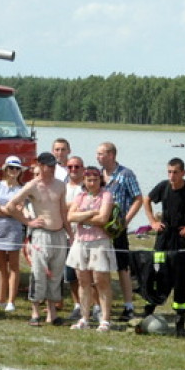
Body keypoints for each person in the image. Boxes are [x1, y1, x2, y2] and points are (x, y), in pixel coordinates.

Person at [4, 152, 71, 327]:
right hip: (41, 234)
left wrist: (70, 234)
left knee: (56, 274)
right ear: (40, 166)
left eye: (53, 165)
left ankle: (52, 312)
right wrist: (28, 221)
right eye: (48, 165)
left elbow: (63, 211)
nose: (51, 168)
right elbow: (11, 206)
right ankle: (35, 312)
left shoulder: (60, 185)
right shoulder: (32, 185)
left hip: (59, 233)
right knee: (39, 273)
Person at [142, 157, 185, 337]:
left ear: (183, 173)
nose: (172, 176)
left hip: (182, 238)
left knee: (180, 280)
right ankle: (147, 314)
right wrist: (153, 222)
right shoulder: (163, 186)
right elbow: (146, 200)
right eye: (169, 172)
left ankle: (180, 323)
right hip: (163, 237)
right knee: (157, 274)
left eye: (175, 172)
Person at [95, 142, 142, 321]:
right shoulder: (97, 175)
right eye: (97, 154)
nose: (98, 157)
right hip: (99, 228)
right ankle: (100, 305)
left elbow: (138, 198)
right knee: (99, 266)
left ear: (111, 155)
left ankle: (128, 305)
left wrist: (126, 220)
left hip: (117, 229)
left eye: (101, 154)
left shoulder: (125, 174)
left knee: (122, 266)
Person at [66, 165, 116, 331]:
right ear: (84, 181)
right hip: (81, 241)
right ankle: (84, 317)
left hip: (99, 241)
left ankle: (105, 319)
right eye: (89, 180)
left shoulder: (106, 195)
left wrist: (82, 217)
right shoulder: (80, 196)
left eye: (95, 179)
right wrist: (89, 214)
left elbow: (103, 218)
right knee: (82, 280)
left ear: (100, 180)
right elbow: (70, 216)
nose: (92, 183)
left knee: (101, 280)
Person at [0, 156, 25, 313]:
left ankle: (11, 300)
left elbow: (18, 211)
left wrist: (1, 209)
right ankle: (1, 298)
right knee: (1, 266)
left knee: (14, 265)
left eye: (16, 168)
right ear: (5, 169)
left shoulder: (21, 189)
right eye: (11, 168)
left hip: (14, 229)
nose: (13, 171)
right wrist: (6, 210)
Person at [63, 157, 91, 321]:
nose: (73, 169)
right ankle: (77, 305)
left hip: (85, 235)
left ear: (83, 168)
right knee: (71, 274)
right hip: (67, 235)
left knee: (89, 274)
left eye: (77, 166)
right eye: (70, 167)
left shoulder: (88, 187)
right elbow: (61, 207)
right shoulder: (63, 187)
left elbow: (85, 207)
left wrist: (70, 206)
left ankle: (94, 306)